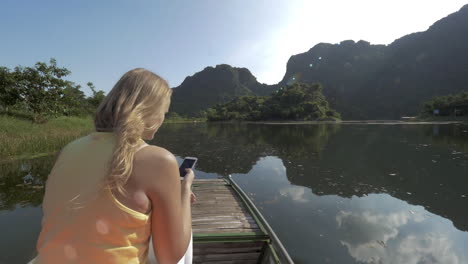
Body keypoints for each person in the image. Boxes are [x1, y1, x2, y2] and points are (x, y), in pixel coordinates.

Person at [29, 68, 195, 264]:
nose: (162, 120)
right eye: (164, 113)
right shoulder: (159, 159)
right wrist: (184, 190)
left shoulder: (69, 149)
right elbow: (170, 257)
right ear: (149, 111)